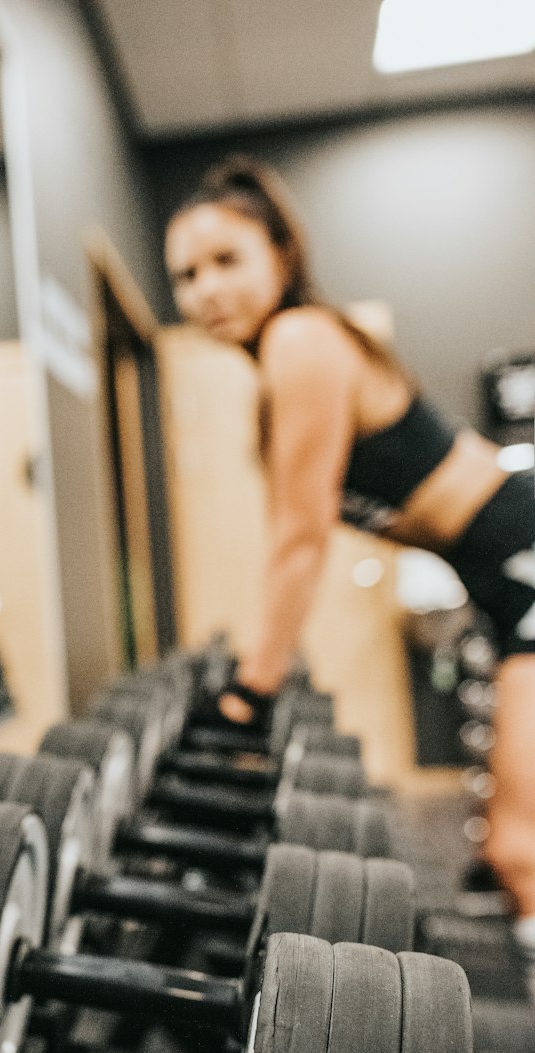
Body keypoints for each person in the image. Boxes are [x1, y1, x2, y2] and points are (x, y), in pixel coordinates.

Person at [164, 157, 535, 936]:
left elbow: (299, 539)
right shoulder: (283, 366)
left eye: (227, 261)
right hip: (502, 584)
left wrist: (250, 695)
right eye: (186, 275)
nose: (206, 291)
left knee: (520, 849)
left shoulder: (302, 340)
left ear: (283, 256)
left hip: (524, 559)